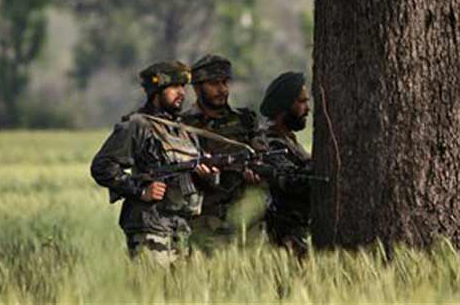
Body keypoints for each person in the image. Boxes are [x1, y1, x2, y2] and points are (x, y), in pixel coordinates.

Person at [90, 61, 217, 266]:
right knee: (151, 294)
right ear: (157, 91)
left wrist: (208, 176)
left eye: (183, 87)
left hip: (182, 231)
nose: (182, 92)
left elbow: (198, 176)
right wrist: (141, 191)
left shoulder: (182, 131)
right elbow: (102, 167)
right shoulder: (137, 125)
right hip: (150, 229)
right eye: (174, 87)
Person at [181, 54, 267, 252]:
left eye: (225, 82)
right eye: (213, 84)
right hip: (206, 223)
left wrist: (257, 172)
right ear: (197, 87)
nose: (222, 89)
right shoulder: (184, 125)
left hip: (249, 219)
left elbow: (262, 153)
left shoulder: (245, 120)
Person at [259, 71, 312, 256]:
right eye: (302, 102)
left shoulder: (288, 139)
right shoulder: (268, 142)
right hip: (285, 239)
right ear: (283, 106)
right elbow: (289, 180)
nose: (308, 108)